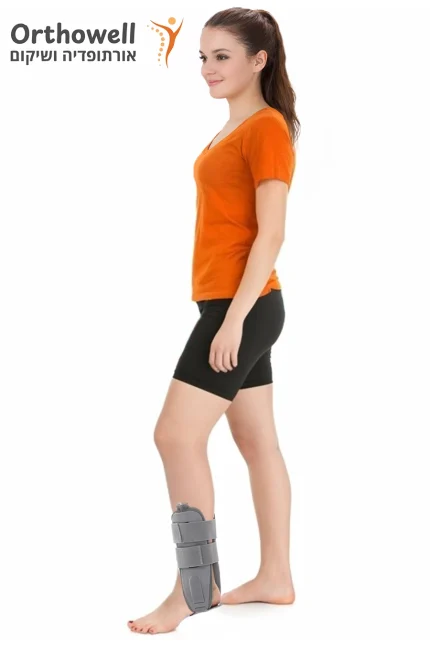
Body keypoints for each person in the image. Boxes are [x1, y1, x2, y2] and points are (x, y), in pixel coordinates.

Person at [128, 7, 300, 635]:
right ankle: (276, 577)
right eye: (202, 56)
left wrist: (234, 321)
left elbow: (272, 233)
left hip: (241, 307)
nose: (207, 67)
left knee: (174, 436)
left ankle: (192, 589)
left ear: (259, 60)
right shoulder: (233, 129)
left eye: (221, 56)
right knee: (257, 443)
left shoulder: (266, 127)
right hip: (233, 305)